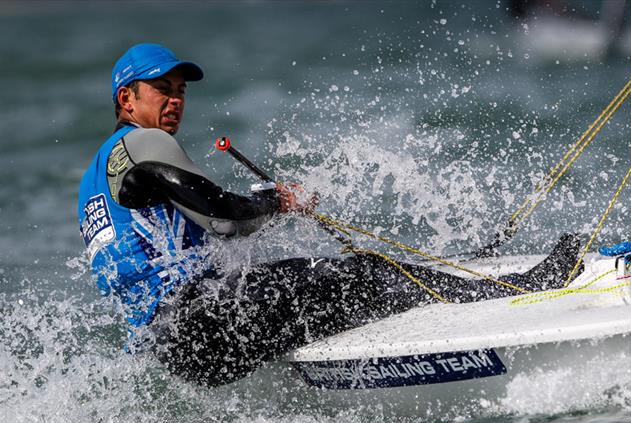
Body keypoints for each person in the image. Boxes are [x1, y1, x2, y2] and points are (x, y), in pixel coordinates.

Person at [79, 43, 582, 387]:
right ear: (127, 99)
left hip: (172, 350)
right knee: (364, 272)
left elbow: (189, 239)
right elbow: (223, 218)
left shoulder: (94, 179)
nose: (175, 100)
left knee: (314, 282)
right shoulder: (144, 143)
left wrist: (262, 210)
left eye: (181, 91)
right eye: (162, 89)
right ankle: (519, 288)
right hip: (201, 324)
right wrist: (280, 202)